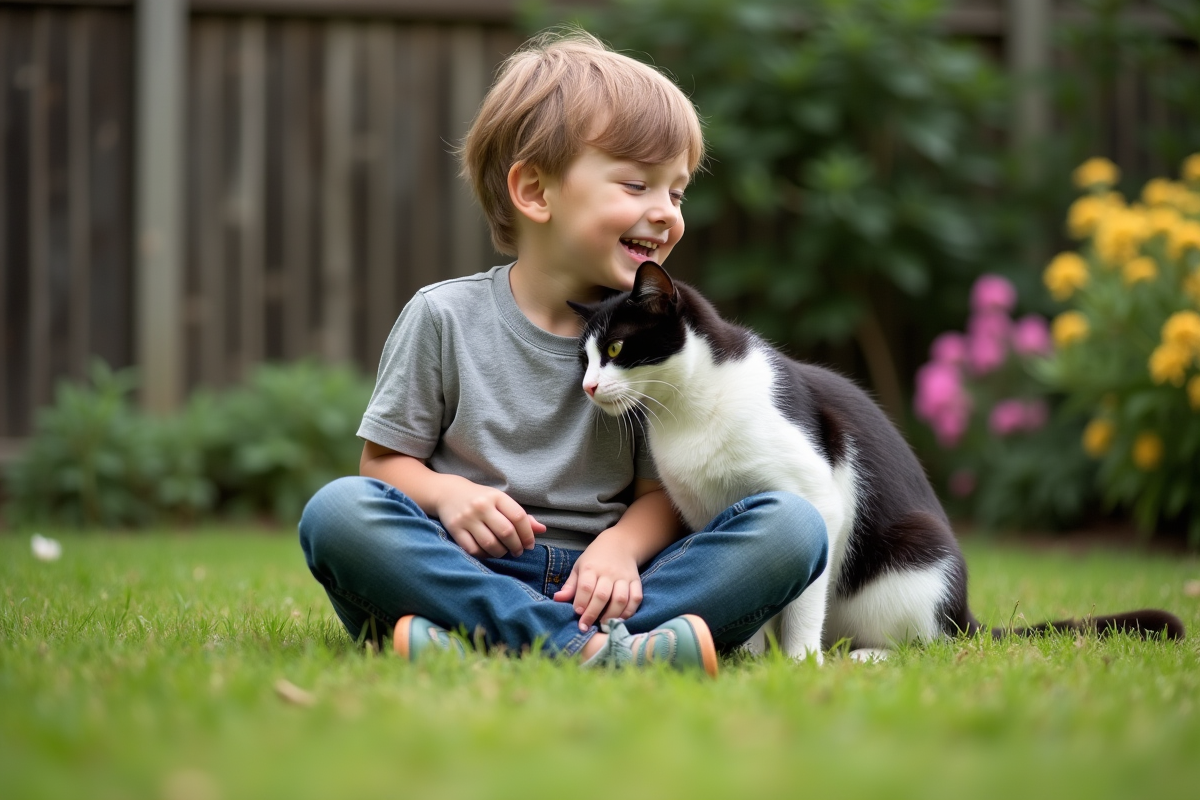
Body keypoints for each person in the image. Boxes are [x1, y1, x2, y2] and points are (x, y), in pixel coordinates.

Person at [298, 29, 828, 676]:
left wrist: (620, 549)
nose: (665, 213)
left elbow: (662, 495)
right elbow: (383, 465)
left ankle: (477, 645)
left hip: (613, 584)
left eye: (677, 191)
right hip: (463, 571)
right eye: (637, 186)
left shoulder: (651, 342)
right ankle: (602, 653)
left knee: (792, 527)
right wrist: (445, 497)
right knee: (338, 514)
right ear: (536, 192)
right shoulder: (443, 317)